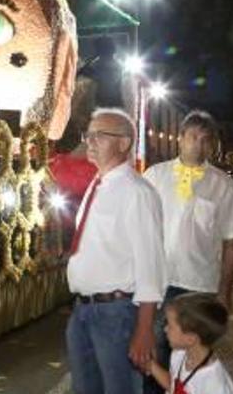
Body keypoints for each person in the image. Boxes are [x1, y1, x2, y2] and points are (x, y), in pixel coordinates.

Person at [143, 110, 233, 394]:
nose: (198, 145)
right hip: (157, 283)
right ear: (180, 139)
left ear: (212, 144)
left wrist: (224, 293)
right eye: (192, 137)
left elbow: (232, 242)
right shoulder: (155, 176)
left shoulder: (224, 187)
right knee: (152, 354)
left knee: (191, 361)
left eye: (205, 139)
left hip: (199, 289)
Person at [66, 108, 166, 394]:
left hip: (116, 313)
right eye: (88, 135)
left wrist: (144, 329)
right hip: (83, 310)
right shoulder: (97, 185)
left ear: (124, 143)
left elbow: (151, 265)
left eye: (100, 136)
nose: (90, 142)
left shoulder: (137, 192)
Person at [145, 292, 233, 394]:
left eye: (170, 326)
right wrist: (151, 365)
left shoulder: (214, 382)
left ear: (190, 339)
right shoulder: (179, 354)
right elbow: (173, 386)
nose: (165, 329)